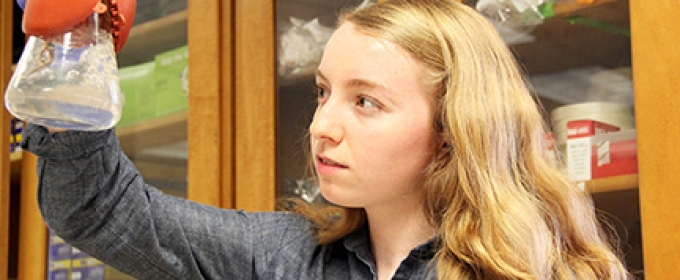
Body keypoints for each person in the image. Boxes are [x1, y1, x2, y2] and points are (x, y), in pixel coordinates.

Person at [21, 0, 629, 279]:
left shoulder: (540, 272)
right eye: (321, 91)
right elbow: (98, 208)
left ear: (451, 131)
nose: (321, 126)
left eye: (365, 101)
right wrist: (75, 49)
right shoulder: (284, 256)